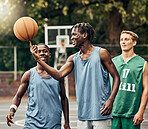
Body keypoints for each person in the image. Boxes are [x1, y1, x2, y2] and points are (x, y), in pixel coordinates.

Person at [30, 23, 120, 129]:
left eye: (74, 35)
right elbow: (59, 75)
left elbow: (117, 77)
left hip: (101, 113)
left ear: (85, 35)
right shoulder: (73, 58)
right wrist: (38, 60)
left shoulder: (101, 53)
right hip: (83, 115)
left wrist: (111, 99)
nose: (71, 37)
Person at [6, 43, 70, 129]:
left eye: (45, 51)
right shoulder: (28, 74)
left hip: (53, 123)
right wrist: (12, 111)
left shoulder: (58, 75)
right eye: (39, 51)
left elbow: (63, 98)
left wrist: (67, 122)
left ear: (50, 55)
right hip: (32, 123)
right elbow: (18, 96)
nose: (42, 53)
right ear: (35, 54)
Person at [110, 30, 148, 129]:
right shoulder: (113, 62)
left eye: (126, 39)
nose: (123, 42)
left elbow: (146, 89)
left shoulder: (142, 64)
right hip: (114, 113)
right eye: (121, 40)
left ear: (134, 43)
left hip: (132, 114)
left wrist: (141, 111)